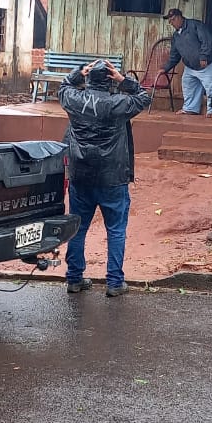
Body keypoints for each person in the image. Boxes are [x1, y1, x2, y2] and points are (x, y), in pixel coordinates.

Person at [58, 59, 152, 297]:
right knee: (116, 230)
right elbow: (144, 97)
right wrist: (123, 80)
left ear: (88, 79)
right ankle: (114, 281)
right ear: (110, 81)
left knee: (78, 229)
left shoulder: (74, 100)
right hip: (113, 177)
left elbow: (63, 87)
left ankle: (74, 278)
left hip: (82, 175)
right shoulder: (118, 103)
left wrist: (79, 73)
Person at [162, 8, 212, 116]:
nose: (171, 23)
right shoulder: (176, 36)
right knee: (188, 84)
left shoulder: (195, 25)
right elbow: (174, 56)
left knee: (211, 88)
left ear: (180, 17)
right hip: (191, 66)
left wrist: (203, 56)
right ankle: (190, 108)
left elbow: (206, 40)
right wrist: (165, 68)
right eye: (170, 21)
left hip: (207, 63)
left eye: (173, 19)